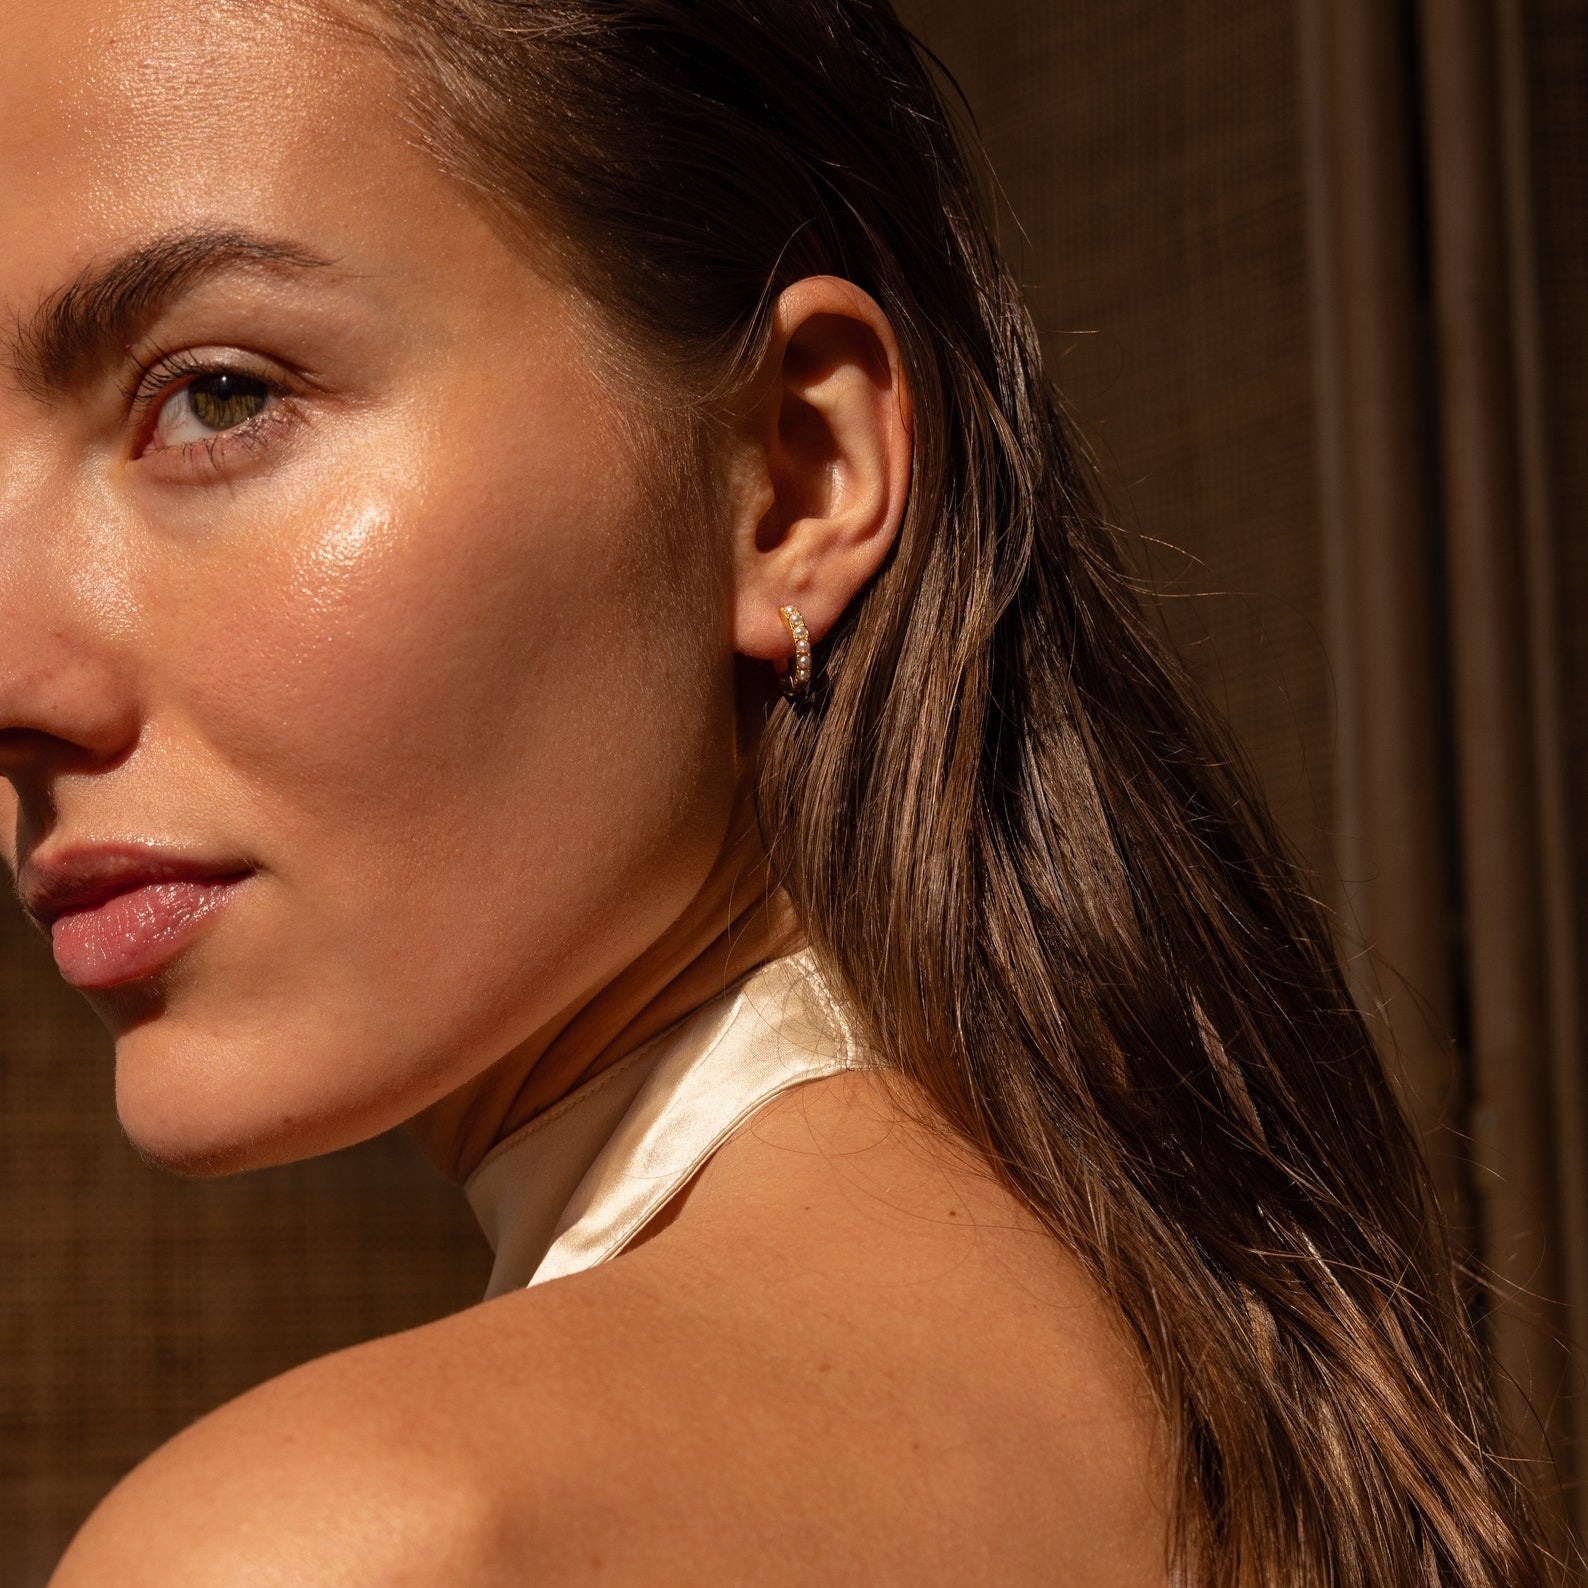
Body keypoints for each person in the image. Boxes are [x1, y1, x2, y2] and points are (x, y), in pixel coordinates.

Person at [0, 0, 1560, 1582]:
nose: (12, 678)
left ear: (797, 475)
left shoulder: (359, 1544)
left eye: (218, 397)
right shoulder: (1228, 1379)